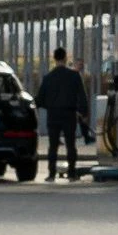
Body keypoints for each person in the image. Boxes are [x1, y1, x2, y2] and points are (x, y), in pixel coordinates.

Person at [36, 45, 89, 180]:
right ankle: (71, 174)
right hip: (69, 114)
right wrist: (84, 113)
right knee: (71, 145)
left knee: (53, 146)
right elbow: (82, 96)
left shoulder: (48, 77)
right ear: (65, 58)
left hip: (53, 114)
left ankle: (51, 174)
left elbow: (39, 98)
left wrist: (48, 105)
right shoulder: (74, 76)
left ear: (54, 59)